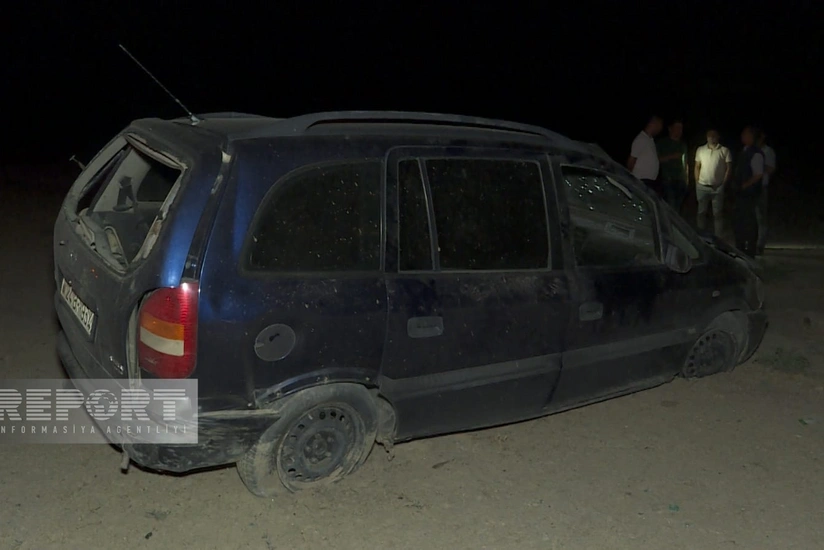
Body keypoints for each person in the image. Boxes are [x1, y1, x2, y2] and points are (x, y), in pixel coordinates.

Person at [732, 127, 765, 257]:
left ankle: (750, 248)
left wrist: (745, 185)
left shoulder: (756, 153)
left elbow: (758, 174)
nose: (743, 136)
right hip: (741, 192)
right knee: (739, 219)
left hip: (749, 193)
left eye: (746, 134)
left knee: (749, 220)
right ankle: (740, 246)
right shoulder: (744, 151)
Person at [694, 129, 732, 237]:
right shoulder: (700, 150)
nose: (712, 138)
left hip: (717, 187)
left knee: (718, 214)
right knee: (701, 213)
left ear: (718, 137)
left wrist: (723, 183)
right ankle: (701, 237)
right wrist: (697, 182)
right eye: (709, 136)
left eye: (714, 136)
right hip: (702, 186)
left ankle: (718, 238)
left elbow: (729, 167)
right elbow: (697, 166)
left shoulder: (724, 150)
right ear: (706, 137)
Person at [656, 119, 689, 212]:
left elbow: (685, 163)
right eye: (677, 128)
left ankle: (674, 224)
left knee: (678, 207)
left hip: (681, 180)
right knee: (671, 205)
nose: (679, 130)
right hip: (668, 180)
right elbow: (656, 160)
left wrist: (686, 179)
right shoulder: (662, 143)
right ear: (670, 129)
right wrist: (671, 157)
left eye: (681, 128)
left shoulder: (682, 144)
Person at [628, 115, 663, 196]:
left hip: (649, 181)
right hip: (641, 180)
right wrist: (631, 178)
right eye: (659, 125)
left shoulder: (650, 140)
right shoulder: (641, 139)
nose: (660, 129)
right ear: (653, 124)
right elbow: (631, 161)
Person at [755, 131, 776, 254]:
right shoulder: (750, 149)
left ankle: (760, 245)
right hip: (750, 188)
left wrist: (758, 170)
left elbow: (771, 168)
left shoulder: (768, 151)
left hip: (761, 187)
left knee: (761, 218)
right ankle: (751, 243)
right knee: (751, 217)